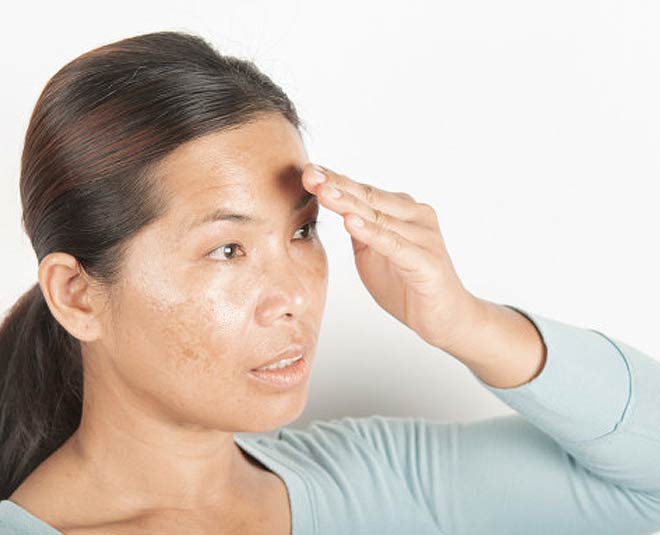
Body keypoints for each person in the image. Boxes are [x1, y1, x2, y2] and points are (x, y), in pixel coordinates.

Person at [0, 30, 658, 535]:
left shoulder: (379, 478)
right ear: (77, 295)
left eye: (302, 231)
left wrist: (468, 323)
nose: (294, 296)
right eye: (228, 249)